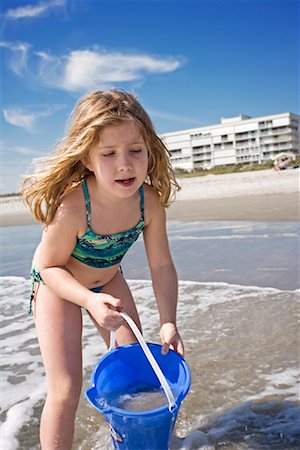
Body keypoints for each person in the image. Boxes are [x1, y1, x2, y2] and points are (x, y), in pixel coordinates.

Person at [21, 89, 184, 450]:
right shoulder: (73, 206)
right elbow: (48, 267)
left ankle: (125, 439)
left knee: (137, 372)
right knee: (65, 388)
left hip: (108, 279)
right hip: (58, 287)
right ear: (88, 158)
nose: (125, 164)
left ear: (149, 150)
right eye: (109, 154)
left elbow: (161, 264)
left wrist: (168, 321)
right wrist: (88, 300)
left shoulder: (150, 203)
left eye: (135, 151)